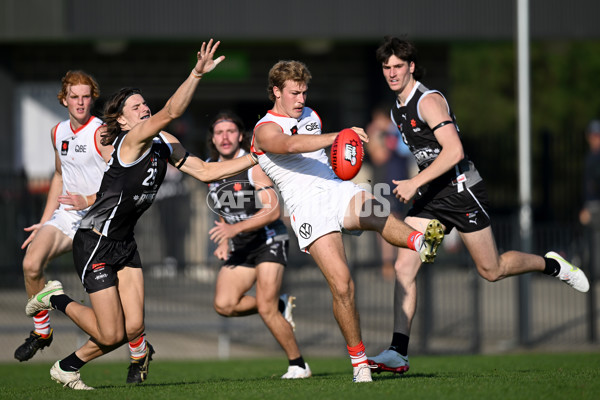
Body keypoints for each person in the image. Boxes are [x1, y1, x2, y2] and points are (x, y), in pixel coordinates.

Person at [25, 39, 259, 390]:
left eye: (144, 103)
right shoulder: (132, 140)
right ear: (122, 119)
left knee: (132, 329)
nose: (144, 109)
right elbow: (172, 112)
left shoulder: (162, 142)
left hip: (124, 243)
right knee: (110, 331)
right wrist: (196, 73)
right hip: (95, 243)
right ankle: (52, 297)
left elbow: (208, 173)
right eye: (136, 107)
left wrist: (260, 156)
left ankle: (67, 367)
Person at [367, 36, 591, 375]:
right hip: (432, 194)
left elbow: (455, 152)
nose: (392, 73)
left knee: (491, 270)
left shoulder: (428, 102)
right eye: (387, 68)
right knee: (403, 268)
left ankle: (552, 265)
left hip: (460, 191)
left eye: (398, 66)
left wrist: (414, 182)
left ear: (411, 66)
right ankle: (398, 351)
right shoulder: (394, 108)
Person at [251, 60, 445, 382]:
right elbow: (290, 145)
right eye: (294, 93)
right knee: (343, 285)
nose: (301, 99)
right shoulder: (264, 129)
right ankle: (359, 364)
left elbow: (333, 156)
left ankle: (420, 241)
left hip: (334, 189)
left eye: (304, 92)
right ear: (276, 92)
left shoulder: (311, 115)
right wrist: (336, 137)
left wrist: (346, 153)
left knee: (373, 208)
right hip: (307, 209)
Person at [14, 70, 113, 362]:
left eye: (85, 96)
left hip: (98, 218)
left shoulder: (101, 132)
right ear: (64, 99)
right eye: (74, 97)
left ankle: (138, 347)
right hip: (67, 217)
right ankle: (42, 332)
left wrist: (91, 201)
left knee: (115, 300)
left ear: (92, 98)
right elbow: (59, 175)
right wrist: (46, 221)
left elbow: (116, 179)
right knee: (31, 263)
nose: (80, 103)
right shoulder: (58, 132)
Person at [206, 111, 311, 379]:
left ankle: (298, 364)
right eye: (219, 132)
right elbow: (223, 206)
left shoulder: (253, 165)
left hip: (268, 239)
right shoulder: (210, 167)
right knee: (224, 305)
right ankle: (279, 305)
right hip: (242, 244)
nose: (225, 137)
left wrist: (233, 229)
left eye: (230, 131)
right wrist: (225, 236)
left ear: (240, 136)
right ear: (213, 139)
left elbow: (273, 211)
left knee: (264, 307)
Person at [365, 105, 414, 280]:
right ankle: (389, 264)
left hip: (395, 184)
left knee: (394, 222)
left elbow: (384, 155)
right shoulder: (388, 134)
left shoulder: (395, 134)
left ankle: (395, 264)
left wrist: (380, 134)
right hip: (383, 184)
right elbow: (378, 155)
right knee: (386, 223)